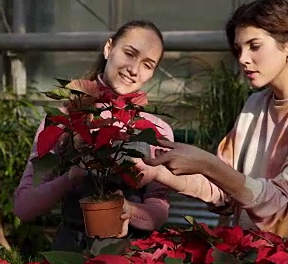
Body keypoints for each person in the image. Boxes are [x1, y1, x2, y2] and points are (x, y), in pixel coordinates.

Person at [136, 0, 288, 262]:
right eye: (239, 49)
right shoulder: (256, 104)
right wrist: (159, 173)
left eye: (255, 46)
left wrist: (207, 165)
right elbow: (227, 191)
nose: (243, 59)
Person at [14, 20, 174, 252]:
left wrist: (130, 210)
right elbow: (24, 208)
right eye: (129, 53)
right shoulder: (63, 120)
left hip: (133, 261)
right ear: (109, 48)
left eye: (147, 65)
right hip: (71, 256)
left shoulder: (156, 130)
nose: (134, 69)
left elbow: (158, 207)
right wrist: (71, 177)